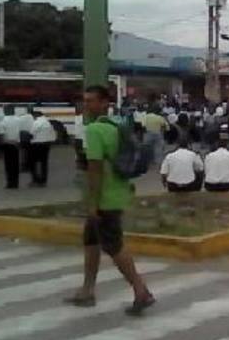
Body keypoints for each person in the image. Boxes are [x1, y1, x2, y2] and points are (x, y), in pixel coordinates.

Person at [65, 85, 154, 316]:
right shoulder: (116, 126)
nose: (87, 105)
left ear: (105, 103)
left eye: (92, 101)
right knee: (91, 242)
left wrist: (93, 203)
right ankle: (87, 290)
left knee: (113, 246)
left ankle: (141, 290)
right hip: (118, 192)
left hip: (105, 198)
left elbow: (94, 169)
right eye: (85, 101)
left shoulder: (94, 130)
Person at [0, 105, 22, 189]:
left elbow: (1, 137)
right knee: (16, 164)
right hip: (17, 145)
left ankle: (10, 183)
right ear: (13, 110)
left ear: (5, 111)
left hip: (7, 145)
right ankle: (16, 183)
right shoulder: (19, 120)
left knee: (8, 165)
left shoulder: (2, 122)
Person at [29, 110, 57, 187]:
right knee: (44, 163)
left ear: (36, 115)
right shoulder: (48, 122)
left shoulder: (37, 122)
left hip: (37, 145)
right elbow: (53, 134)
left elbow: (32, 133)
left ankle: (36, 180)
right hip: (46, 145)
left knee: (33, 163)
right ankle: (43, 180)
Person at [18, 106, 34, 173]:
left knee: (23, 152)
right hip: (30, 136)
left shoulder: (21, 117)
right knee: (30, 152)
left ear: (27, 110)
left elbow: (18, 126)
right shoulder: (33, 118)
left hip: (22, 136)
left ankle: (23, 166)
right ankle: (30, 166)